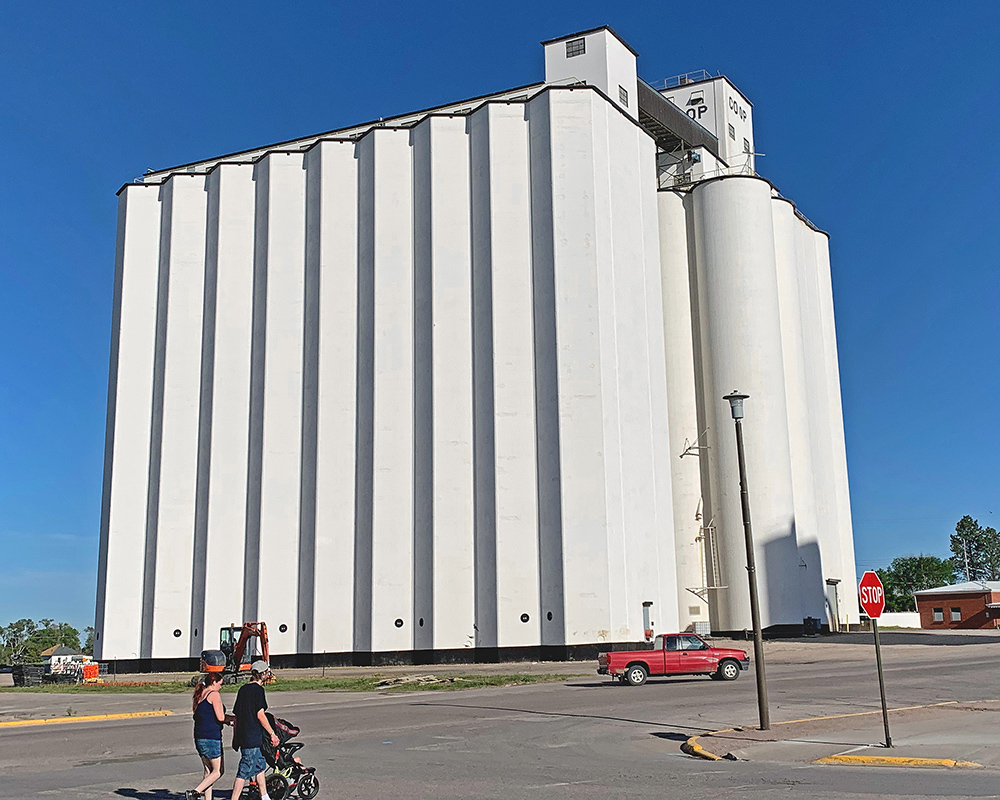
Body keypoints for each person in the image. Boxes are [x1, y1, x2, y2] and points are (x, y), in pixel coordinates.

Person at [231, 661, 280, 800]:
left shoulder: (242, 690)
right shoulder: (258, 691)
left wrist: (235, 737)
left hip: (243, 734)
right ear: (263, 673)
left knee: (259, 765)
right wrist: (272, 734)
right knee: (244, 770)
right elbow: (260, 715)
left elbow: (237, 716)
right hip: (251, 736)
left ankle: (264, 796)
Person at [186, 672, 232, 800]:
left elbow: (208, 716)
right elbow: (221, 717)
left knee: (208, 772)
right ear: (213, 683)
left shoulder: (201, 694)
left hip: (199, 737)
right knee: (218, 771)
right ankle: (195, 792)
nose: (220, 687)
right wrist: (234, 718)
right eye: (220, 684)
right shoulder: (214, 694)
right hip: (211, 737)